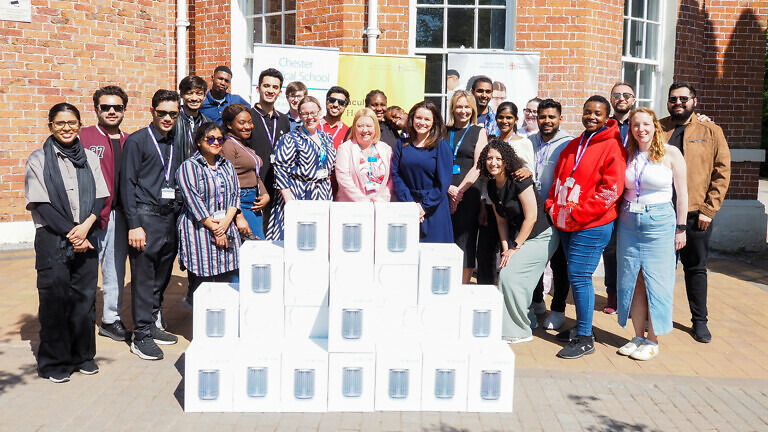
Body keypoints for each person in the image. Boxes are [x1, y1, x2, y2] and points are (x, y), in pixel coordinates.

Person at [25, 103, 109, 382]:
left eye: (72, 122)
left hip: (86, 234)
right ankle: (54, 362)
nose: (66, 128)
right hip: (53, 239)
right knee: (55, 300)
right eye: (60, 123)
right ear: (50, 126)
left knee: (84, 299)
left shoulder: (90, 158)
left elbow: (100, 197)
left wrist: (85, 228)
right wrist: (74, 233)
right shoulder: (38, 159)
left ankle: (82, 356)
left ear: (79, 124)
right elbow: (41, 204)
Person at [546, 95, 626, 359]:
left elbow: (610, 190)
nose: (592, 117)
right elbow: (559, 178)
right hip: (568, 222)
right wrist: (551, 206)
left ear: (607, 117)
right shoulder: (574, 144)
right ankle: (580, 327)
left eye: (598, 114)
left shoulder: (613, 146)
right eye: (587, 112)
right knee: (574, 276)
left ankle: (585, 337)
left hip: (591, 225)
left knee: (580, 277)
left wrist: (577, 214)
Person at [660, 82, 730, 343]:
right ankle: (659, 316)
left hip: (695, 214)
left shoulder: (711, 130)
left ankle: (700, 321)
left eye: (683, 98)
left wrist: (708, 210)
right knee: (661, 269)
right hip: (662, 212)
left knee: (695, 269)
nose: (678, 103)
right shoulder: (658, 128)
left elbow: (722, 172)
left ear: (694, 101)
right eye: (673, 99)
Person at [616, 107, 688, 361]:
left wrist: (681, 228)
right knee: (633, 280)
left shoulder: (671, 153)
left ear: (654, 126)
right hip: (628, 220)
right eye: (636, 125)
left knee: (656, 282)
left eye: (645, 124)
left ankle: (653, 340)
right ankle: (637, 336)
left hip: (659, 221)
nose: (640, 130)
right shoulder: (628, 153)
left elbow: (683, 193)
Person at [120, 89, 183, 360]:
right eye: (162, 113)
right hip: (145, 218)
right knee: (144, 278)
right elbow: (127, 185)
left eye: (173, 113)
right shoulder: (137, 141)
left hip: (169, 217)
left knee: (162, 275)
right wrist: (134, 224)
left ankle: (153, 323)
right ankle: (141, 334)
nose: (167, 118)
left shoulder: (175, 141)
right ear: (152, 111)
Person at [480, 138, 558, 344]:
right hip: (519, 238)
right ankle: (528, 319)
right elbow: (501, 222)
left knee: (509, 277)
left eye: (498, 158)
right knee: (506, 271)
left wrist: (515, 247)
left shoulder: (520, 180)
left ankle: (519, 331)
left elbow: (531, 216)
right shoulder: (491, 185)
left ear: (506, 161)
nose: (493, 162)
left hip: (542, 235)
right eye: (489, 158)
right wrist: (506, 249)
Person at [79, 86, 129, 343]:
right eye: (106, 107)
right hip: (87, 217)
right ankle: (79, 321)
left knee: (114, 270)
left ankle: (110, 320)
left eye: (117, 107)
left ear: (124, 110)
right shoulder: (82, 136)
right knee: (83, 272)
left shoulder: (128, 139)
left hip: (118, 216)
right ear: (96, 109)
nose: (111, 111)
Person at [176, 122, 241, 306]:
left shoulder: (226, 165)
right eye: (210, 139)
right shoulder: (189, 167)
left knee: (226, 279)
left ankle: (222, 321)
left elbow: (235, 194)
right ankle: (199, 326)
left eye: (220, 139)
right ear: (198, 142)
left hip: (226, 226)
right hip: (199, 231)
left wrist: (225, 224)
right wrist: (215, 228)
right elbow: (193, 200)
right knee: (201, 283)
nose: (215, 143)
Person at [476, 101, 534, 285]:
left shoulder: (524, 142)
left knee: (514, 251)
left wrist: (528, 172)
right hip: (493, 203)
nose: (504, 121)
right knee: (485, 250)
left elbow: (530, 171)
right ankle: (485, 288)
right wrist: (483, 204)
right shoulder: (493, 142)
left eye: (509, 117)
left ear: (516, 119)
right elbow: (486, 177)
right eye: (500, 117)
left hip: (514, 207)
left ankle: (532, 299)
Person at [530, 99, 574, 330]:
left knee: (558, 263)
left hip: (556, 211)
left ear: (560, 118)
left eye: (551, 117)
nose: (546, 121)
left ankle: (557, 309)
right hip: (531, 211)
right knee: (535, 260)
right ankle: (537, 302)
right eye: (542, 116)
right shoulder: (529, 141)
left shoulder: (569, 144)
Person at [266, 96, 336, 240]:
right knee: (296, 239)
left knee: (318, 240)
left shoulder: (327, 138)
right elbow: (280, 170)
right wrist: (290, 202)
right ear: (300, 115)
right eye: (305, 114)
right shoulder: (290, 138)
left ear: (320, 112)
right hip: (298, 194)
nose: (310, 117)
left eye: (313, 113)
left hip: (322, 194)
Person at [391, 100, 453, 243]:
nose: (422, 122)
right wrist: (410, 204)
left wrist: (423, 206)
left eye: (427, 119)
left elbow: (443, 183)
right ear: (412, 119)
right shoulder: (402, 143)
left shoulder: (441, 146)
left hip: (434, 209)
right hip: (407, 204)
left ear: (434, 122)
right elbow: (396, 173)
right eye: (418, 118)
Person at [601, 82, 636, 315]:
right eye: (617, 95)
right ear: (611, 99)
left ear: (633, 99)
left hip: (635, 193)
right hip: (611, 194)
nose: (621, 98)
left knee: (632, 249)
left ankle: (632, 295)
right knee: (611, 248)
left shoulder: (642, 123)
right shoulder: (604, 124)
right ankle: (612, 294)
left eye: (626, 95)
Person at [445, 90, 487, 283]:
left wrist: (459, 192)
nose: (463, 111)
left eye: (467, 107)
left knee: (466, 240)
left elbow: (479, 166)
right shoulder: (443, 131)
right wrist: (448, 189)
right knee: (445, 238)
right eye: (459, 106)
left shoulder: (479, 132)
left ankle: (461, 286)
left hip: (468, 194)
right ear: (453, 108)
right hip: (444, 192)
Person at [246, 68, 291, 233]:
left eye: (275, 87)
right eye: (266, 86)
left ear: (280, 91)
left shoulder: (284, 120)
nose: (270, 90)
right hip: (254, 191)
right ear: (258, 88)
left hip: (278, 190)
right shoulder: (247, 117)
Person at [221, 103, 270, 240]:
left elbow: (254, 173)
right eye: (242, 123)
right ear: (229, 125)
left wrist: (265, 194)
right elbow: (226, 183)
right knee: (256, 246)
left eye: (250, 122)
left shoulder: (243, 143)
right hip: (241, 203)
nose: (248, 126)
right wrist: (238, 215)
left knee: (255, 246)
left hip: (253, 203)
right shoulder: (228, 145)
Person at [334, 108, 394, 202]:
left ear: (375, 127)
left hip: (379, 206)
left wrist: (381, 199)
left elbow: (391, 179)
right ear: (354, 128)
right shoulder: (345, 149)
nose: (365, 130)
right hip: (351, 207)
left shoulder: (386, 149)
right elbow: (344, 180)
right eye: (360, 126)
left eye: (369, 126)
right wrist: (364, 202)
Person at [175, 75, 212, 163]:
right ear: (181, 94)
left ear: (204, 96)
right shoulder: (173, 120)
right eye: (189, 93)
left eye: (199, 94)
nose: (194, 98)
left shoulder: (208, 123)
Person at [320, 86, 350, 150]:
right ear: (326, 101)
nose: (335, 105)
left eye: (341, 102)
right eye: (332, 100)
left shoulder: (348, 132)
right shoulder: (313, 126)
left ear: (346, 106)